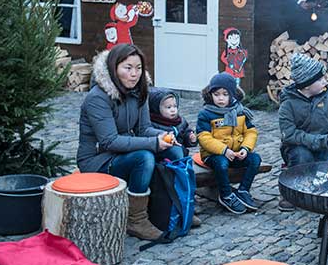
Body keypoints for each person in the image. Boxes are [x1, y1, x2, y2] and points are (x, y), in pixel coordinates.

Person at [78, 44, 183, 241]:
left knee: (176, 152)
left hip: (123, 153)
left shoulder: (138, 91)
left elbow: (144, 129)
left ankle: (176, 206)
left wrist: (166, 135)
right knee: (144, 157)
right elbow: (109, 141)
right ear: (113, 68)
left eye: (138, 68)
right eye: (128, 68)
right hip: (97, 161)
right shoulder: (97, 98)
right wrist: (153, 143)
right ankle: (136, 219)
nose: (134, 74)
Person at [278, 53, 328, 211]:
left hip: (327, 142)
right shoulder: (288, 104)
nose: (325, 81)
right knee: (303, 157)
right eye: (320, 79)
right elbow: (289, 134)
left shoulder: (327, 98)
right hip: (297, 147)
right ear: (307, 84)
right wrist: (319, 141)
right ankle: (291, 192)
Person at [197, 73, 261, 214]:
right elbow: (204, 138)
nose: (220, 98)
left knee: (255, 159)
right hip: (214, 155)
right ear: (211, 94)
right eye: (216, 94)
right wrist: (224, 150)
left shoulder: (240, 112)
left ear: (232, 94)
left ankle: (243, 190)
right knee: (222, 163)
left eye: (225, 94)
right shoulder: (206, 114)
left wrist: (245, 148)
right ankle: (226, 195)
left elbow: (251, 132)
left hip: (236, 152)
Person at [148, 88, 197, 154]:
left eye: (175, 106)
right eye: (168, 107)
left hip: (182, 152)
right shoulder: (154, 124)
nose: (173, 110)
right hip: (164, 153)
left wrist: (190, 138)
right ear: (156, 109)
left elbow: (185, 133)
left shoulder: (180, 121)